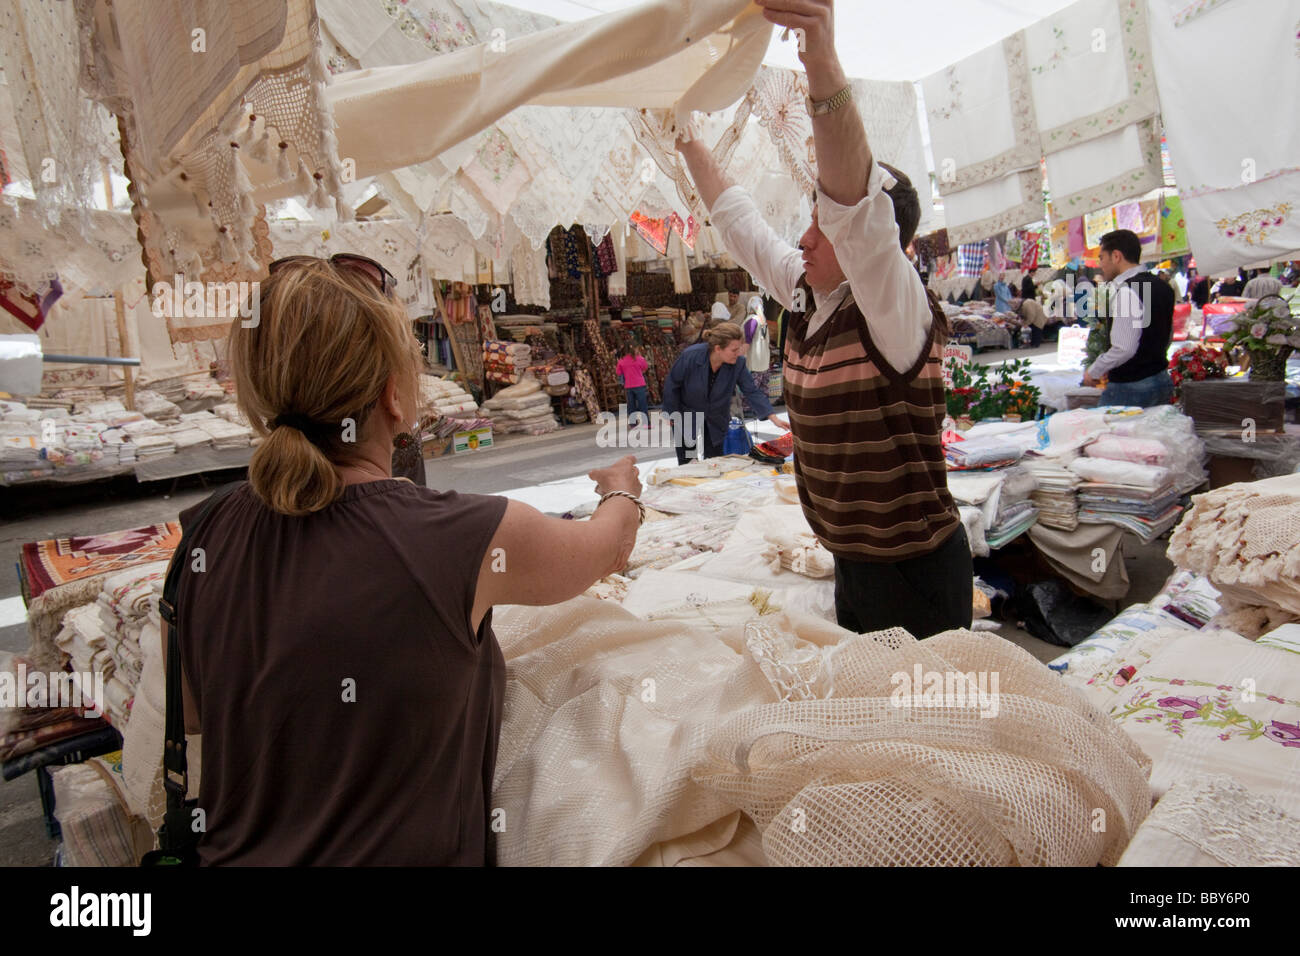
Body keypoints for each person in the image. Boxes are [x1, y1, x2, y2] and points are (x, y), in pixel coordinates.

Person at [169, 254, 644, 865]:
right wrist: (620, 487)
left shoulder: (205, 531)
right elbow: (602, 549)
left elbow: (193, 713)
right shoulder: (460, 537)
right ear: (394, 396)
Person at [676, 0, 971, 640]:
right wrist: (682, 133)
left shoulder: (893, 306)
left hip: (917, 570)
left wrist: (820, 59)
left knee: (919, 733)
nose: (806, 238)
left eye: (824, 224)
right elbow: (741, 223)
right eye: (810, 221)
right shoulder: (808, 297)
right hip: (854, 561)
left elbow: (854, 208)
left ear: (869, 239)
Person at [661, 321, 789, 465]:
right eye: (734, 350)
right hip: (687, 413)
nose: (739, 353)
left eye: (739, 349)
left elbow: (751, 391)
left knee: (715, 462)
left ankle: (711, 487)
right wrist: (671, 413)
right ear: (718, 349)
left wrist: (773, 417)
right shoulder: (691, 356)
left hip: (716, 417)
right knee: (688, 463)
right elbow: (672, 384)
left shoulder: (738, 363)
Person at [1082, 229, 1175, 407]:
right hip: (1160, 378)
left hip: (1132, 387)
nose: (1100, 264)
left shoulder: (1128, 291)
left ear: (1116, 256)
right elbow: (1168, 334)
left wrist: (1094, 371)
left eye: (1102, 257)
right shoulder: (1162, 286)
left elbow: (1124, 348)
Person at [615, 344, 650, 428]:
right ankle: (646, 424)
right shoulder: (639, 359)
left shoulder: (621, 361)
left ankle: (633, 423)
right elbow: (645, 367)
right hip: (639, 384)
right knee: (642, 405)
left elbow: (618, 373)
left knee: (631, 405)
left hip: (628, 386)